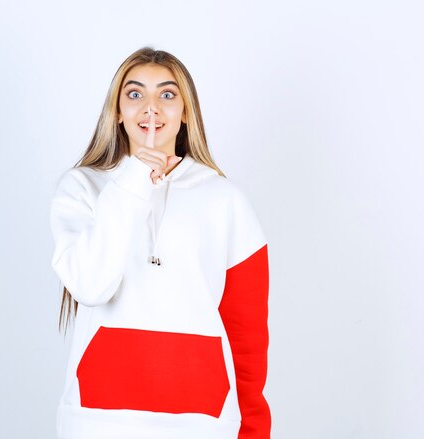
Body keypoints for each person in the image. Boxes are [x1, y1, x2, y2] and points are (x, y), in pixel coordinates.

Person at [49, 47, 271, 439]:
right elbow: (89, 284)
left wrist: (253, 429)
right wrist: (133, 179)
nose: (151, 107)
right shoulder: (82, 188)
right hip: (100, 418)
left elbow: (247, 332)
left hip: (203, 420)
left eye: (167, 95)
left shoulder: (226, 201)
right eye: (135, 95)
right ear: (117, 112)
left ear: (185, 112)